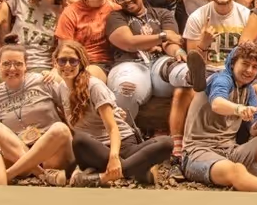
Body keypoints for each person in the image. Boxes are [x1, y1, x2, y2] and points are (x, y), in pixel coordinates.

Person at [179, 39, 257, 193]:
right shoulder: (222, 79)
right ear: (233, 64)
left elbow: (254, 129)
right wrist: (239, 109)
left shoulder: (248, 90)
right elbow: (217, 103)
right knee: (236, 170)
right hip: (198, 152)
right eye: (245, 64)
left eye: (255, 67)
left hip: (231, 151)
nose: (250, 71)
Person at [52, 40, 171, 187]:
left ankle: (103, 177)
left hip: (122, 144)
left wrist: (114, 157)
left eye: (73, 61)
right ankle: (137, 170)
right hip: (94, 148)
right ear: (55, 62)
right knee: (79, 141)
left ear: (81, 63)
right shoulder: (61, 88)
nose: (67, 65)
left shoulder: (94, 86)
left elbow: (113, 128)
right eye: (62, 61)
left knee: (166, 143)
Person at [105, 0, 191, 125]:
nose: (127, 0)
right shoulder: (115, 17)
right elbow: (129, 43)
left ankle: (192, 74)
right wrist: (162, 36)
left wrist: (178, 52)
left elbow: (171, 43)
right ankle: (125, 134)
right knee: (127, 89)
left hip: (158, 63)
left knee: (178, 69)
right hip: (130, 64)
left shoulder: (163, 14)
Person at [0, 44, 74, 184]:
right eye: (6, 64)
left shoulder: (44, 81)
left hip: (52, 153)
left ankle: (9, 175)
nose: (12, 68)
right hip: (20, 152)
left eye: (18, 64)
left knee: (60, 129)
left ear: (26, 66)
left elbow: (69, 111)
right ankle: (42, 175)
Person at [54, 0, 116, 79]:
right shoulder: (71, 12)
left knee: (86, 78)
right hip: (76, 63)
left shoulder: (115, 9)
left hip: (106, 64)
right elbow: (64, 49)